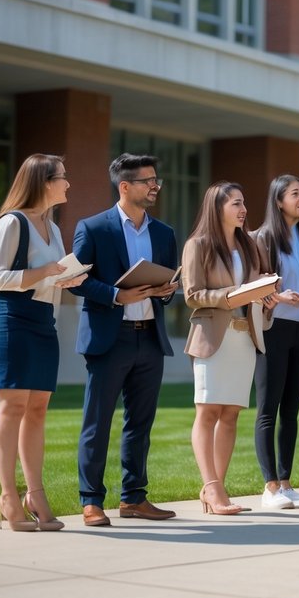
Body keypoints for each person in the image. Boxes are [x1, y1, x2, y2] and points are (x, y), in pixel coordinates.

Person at [71, 154, 179, 528]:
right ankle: (91, 501)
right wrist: (118, 296)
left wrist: (166, 291)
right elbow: (77, 281)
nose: (154, 187)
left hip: (150, 337)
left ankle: (134, 498)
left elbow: (167, 288)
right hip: (108, 338)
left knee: (140, 423)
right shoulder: (93, 228)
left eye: (156, 180)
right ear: (125, 186)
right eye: (148, 180)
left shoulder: (164, 233)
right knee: (97, 421)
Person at [0, 154, 86, 531]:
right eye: (62, 177)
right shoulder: (12, 222)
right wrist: (45, 271)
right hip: (11, 319)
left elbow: (48, 277)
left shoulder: (54, 227)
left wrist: (65, 280)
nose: (68, 184)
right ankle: (8, 497)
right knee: (12, 405)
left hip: (44, 321)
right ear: (44, 182)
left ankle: (35, 493)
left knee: (39, 408)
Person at [181, 181, 276, 515]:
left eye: (243, 202)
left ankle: (216, 489)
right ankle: (212, 487)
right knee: (207, 412)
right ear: (217, 207)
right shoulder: (198, 245)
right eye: (235, 202)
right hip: (212, 337)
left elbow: (257, 292)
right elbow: (192, 295)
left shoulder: (250, 246)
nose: (242, 208)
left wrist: (268, 297)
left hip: (243, 337)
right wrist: (233, 295)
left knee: (232, 414)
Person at [252, 175, 299, 510]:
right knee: (268, 409)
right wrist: (276, 296)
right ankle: (270, 486)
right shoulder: (263, 238)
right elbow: (250, 286)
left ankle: (287, 483)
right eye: (295, 194)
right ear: (279, 202)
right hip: (273, 330)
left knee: (291, 410)